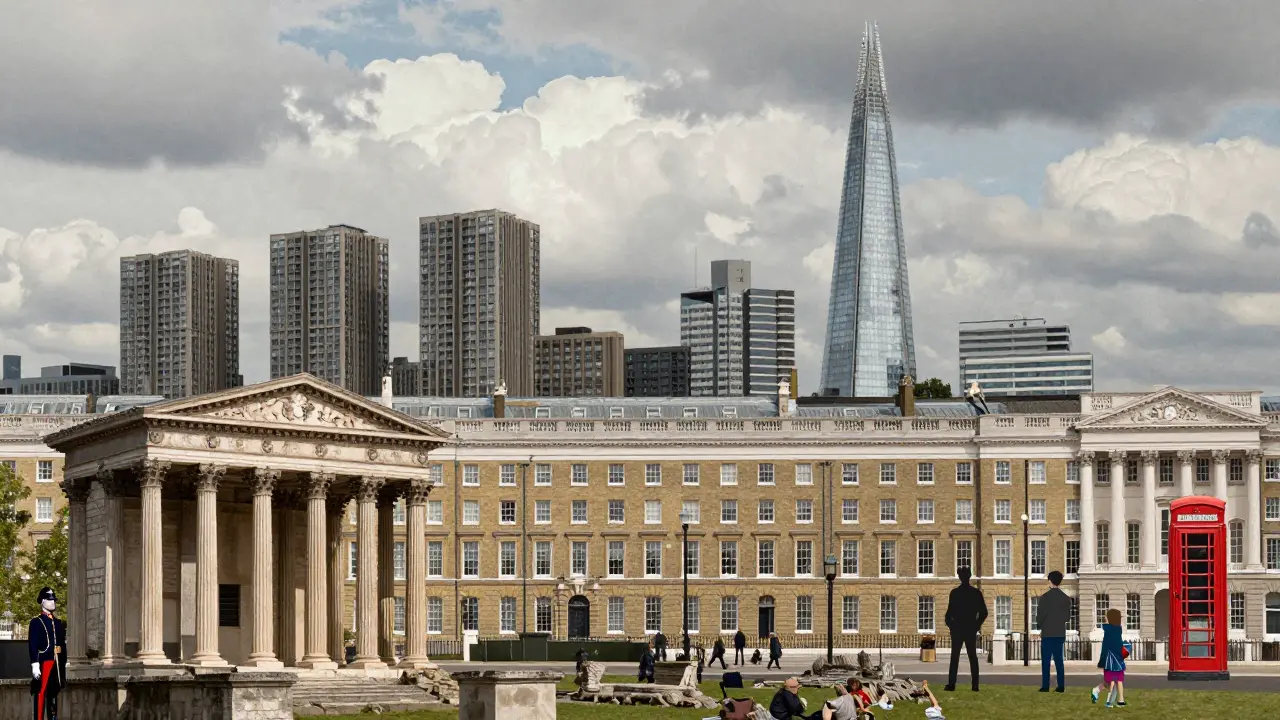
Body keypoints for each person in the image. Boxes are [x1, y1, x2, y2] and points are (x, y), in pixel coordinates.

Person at [943, 566, 987, 692]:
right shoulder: (975, 593)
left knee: (955, 657)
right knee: (972, 657)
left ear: (960, 577)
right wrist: (976, 625)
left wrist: (951, 625)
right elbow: (984, 613)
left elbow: (948, 615)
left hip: (959, 629)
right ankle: (975, 685)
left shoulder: (955, 593)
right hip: (969, 629)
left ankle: (952, 684)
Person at [29, 586, 66, 720]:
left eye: (54, 600)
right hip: (44, 661)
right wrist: (35, 663)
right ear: (42, 601)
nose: (53, 602)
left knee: (54, 693)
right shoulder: (36, 622)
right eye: (50, 600)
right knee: (41, 693)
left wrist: (63, 664)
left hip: (57, 663)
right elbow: (33, 644)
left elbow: (62, 645)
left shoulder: (58, 623)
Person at [1036, 570, 1072, 693]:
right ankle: (1060, 686)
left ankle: (1045, 686)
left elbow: (1040, 617)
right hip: (1059, 633)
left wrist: (1041, 626)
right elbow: (1067, 618)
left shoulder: (1045, 598)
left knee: (1045, 662)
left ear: (1050, 581)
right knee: (1059, 661)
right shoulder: (1066, 599)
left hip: (1047, 633)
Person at [1092, 608, 1127, 708]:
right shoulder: (1115, 630)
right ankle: (1110, 699)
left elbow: (1106, 647)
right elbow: (1111, 646)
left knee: (1114, 681)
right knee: (1112, 681)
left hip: (1113, 659)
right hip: (1113, 660)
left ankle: (1115, 700)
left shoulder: (1112, 630)